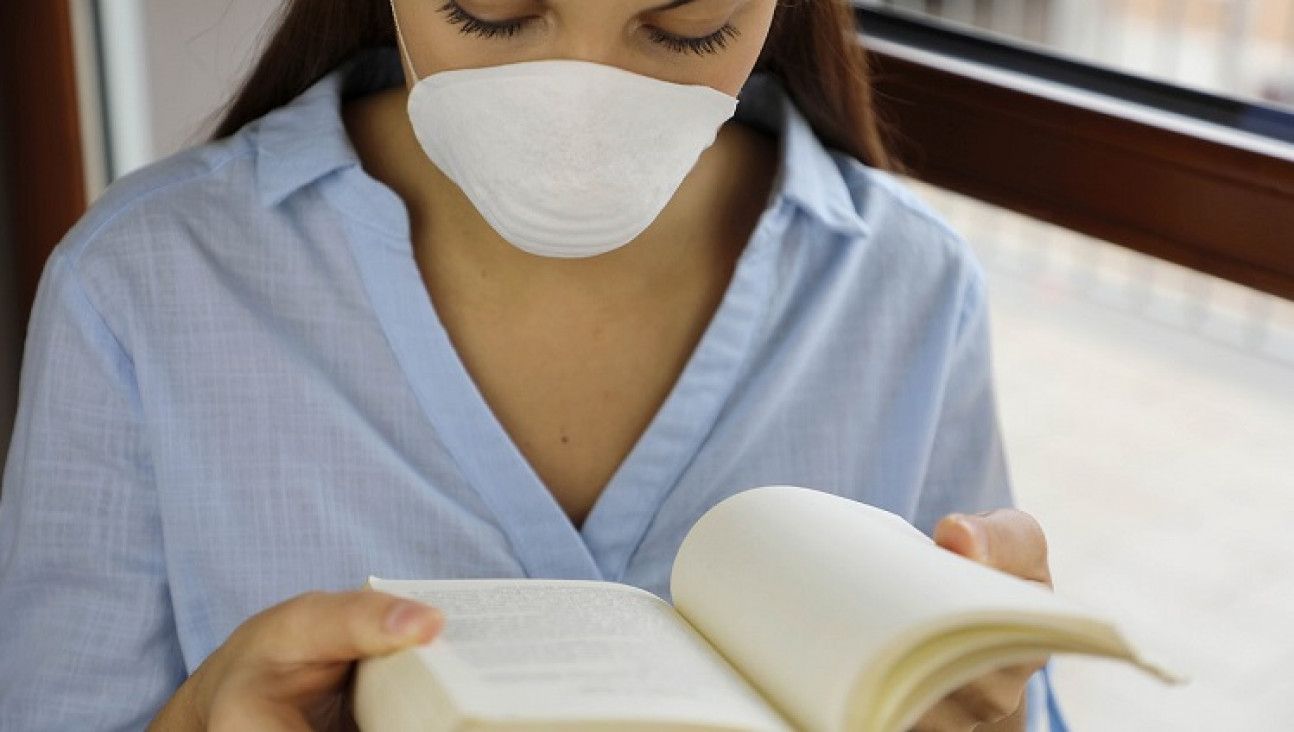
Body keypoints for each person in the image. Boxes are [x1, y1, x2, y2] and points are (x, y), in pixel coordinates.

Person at [0, 0, 1063, 729]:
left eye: (687, 25)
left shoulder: (907, 287)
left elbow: (983, 703)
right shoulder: (142, 286)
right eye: (495, 11)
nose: (580, 111)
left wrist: (992, 698)